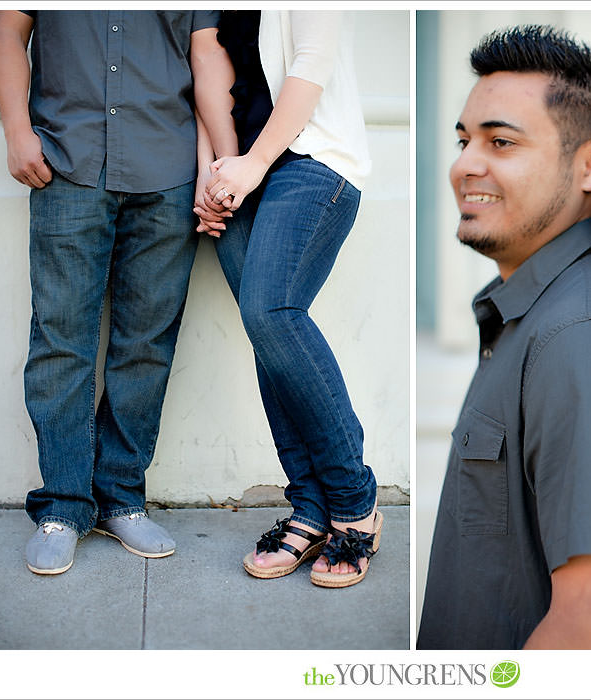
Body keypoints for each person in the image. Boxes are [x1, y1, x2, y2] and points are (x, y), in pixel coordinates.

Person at [416, 25, 591, 649]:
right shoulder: (535, 315)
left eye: (501, 142)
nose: (465, 165)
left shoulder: (589, 337)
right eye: (464, 140)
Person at [0, 10, 230, 574]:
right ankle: (64, 507)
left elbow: (205, 54)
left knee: (146, 343)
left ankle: (121, 497)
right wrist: (16, 131)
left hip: (167, 171)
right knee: (60, 339)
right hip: (66, 165)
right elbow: (6, 33)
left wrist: (219, 164)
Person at [193, 10, 381, 588]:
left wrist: (250, 166)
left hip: (307, 164)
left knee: (271, 313)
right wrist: (213, 174)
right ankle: (310, 509)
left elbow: (311, 65)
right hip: (238, 170)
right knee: (267, 334)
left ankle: (355, 502)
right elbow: (204, 70)